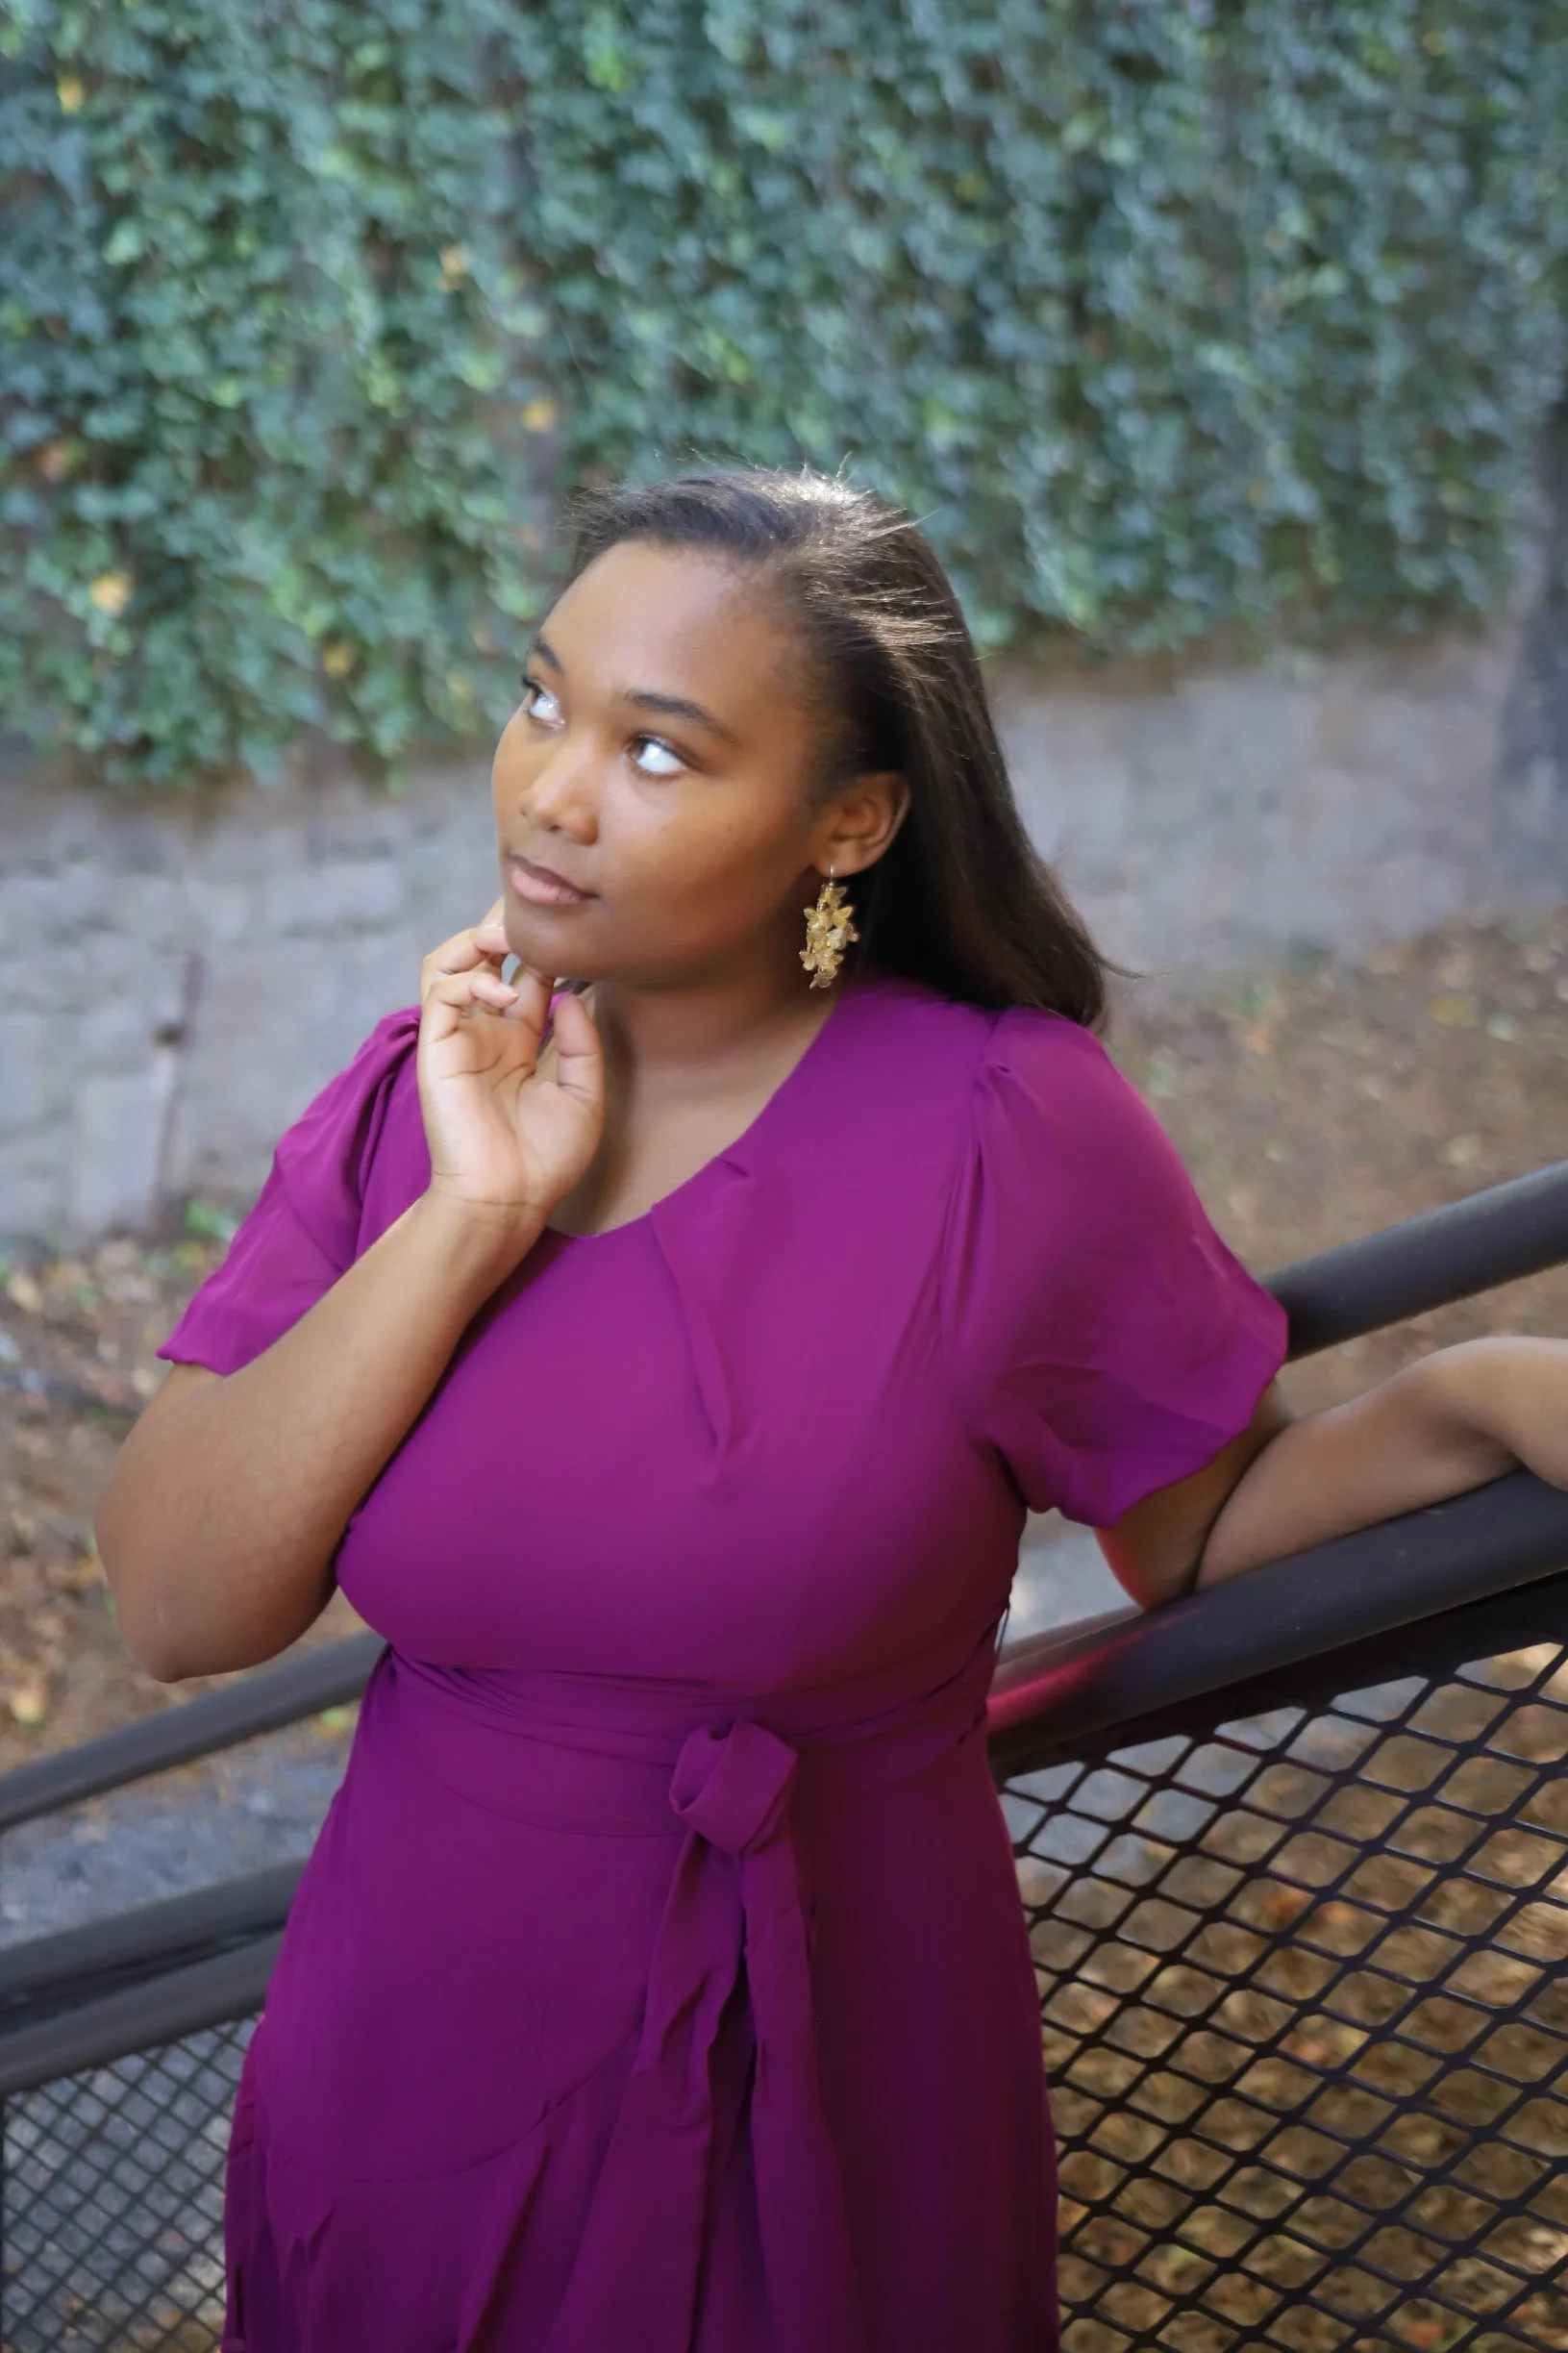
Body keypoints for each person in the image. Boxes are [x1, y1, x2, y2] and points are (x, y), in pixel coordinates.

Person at [96, 468, 1568, 2353]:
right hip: (413, 2029)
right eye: (543, 698)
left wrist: (1486, 1396)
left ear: (848, 820)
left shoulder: (998, 1128)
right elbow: (176, 1605)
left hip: (828, 2037)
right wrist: (472, 1214)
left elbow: (1187, 1528)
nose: (549, 786)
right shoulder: (413, 1099)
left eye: (659, 749)